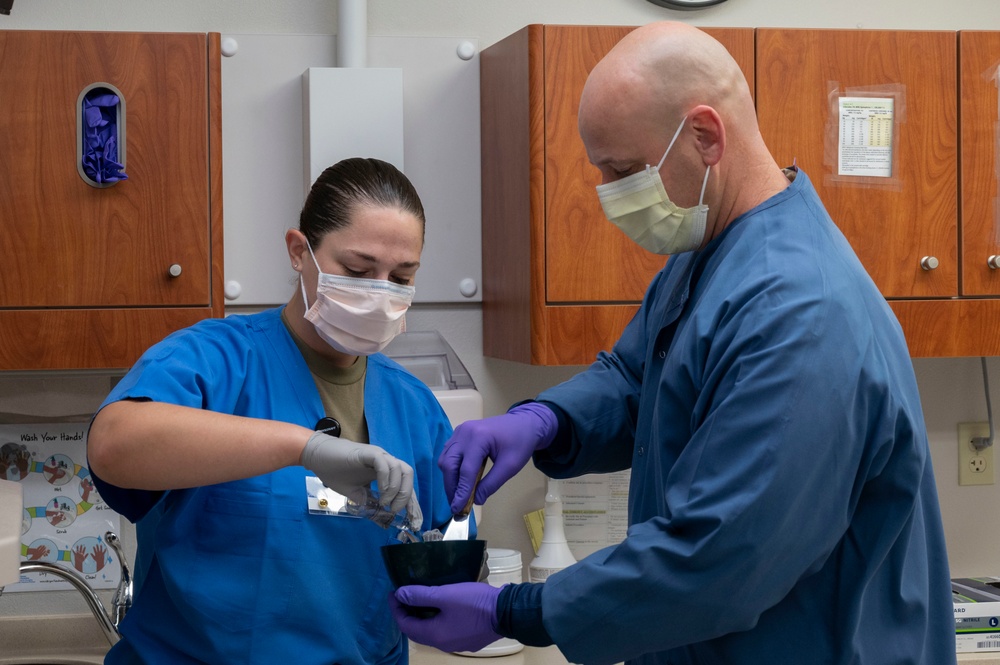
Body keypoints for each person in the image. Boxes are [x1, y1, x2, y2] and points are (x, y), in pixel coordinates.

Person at [389, 22, 956, 665]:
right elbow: (640, 378)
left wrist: (515, 611)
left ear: (706, 136)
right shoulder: (710, 255)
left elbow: (720, 556)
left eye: (624, 169)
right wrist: (545, 421)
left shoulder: (800, 312)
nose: (608, 194)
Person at [87, 157, 456, 664]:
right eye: (358, 270)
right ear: (299, 251)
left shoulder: (415, 410)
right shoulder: (215, 363)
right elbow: (113, 445)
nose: (379, 292)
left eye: (401, 276)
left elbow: (442, 560)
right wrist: (303, 448)